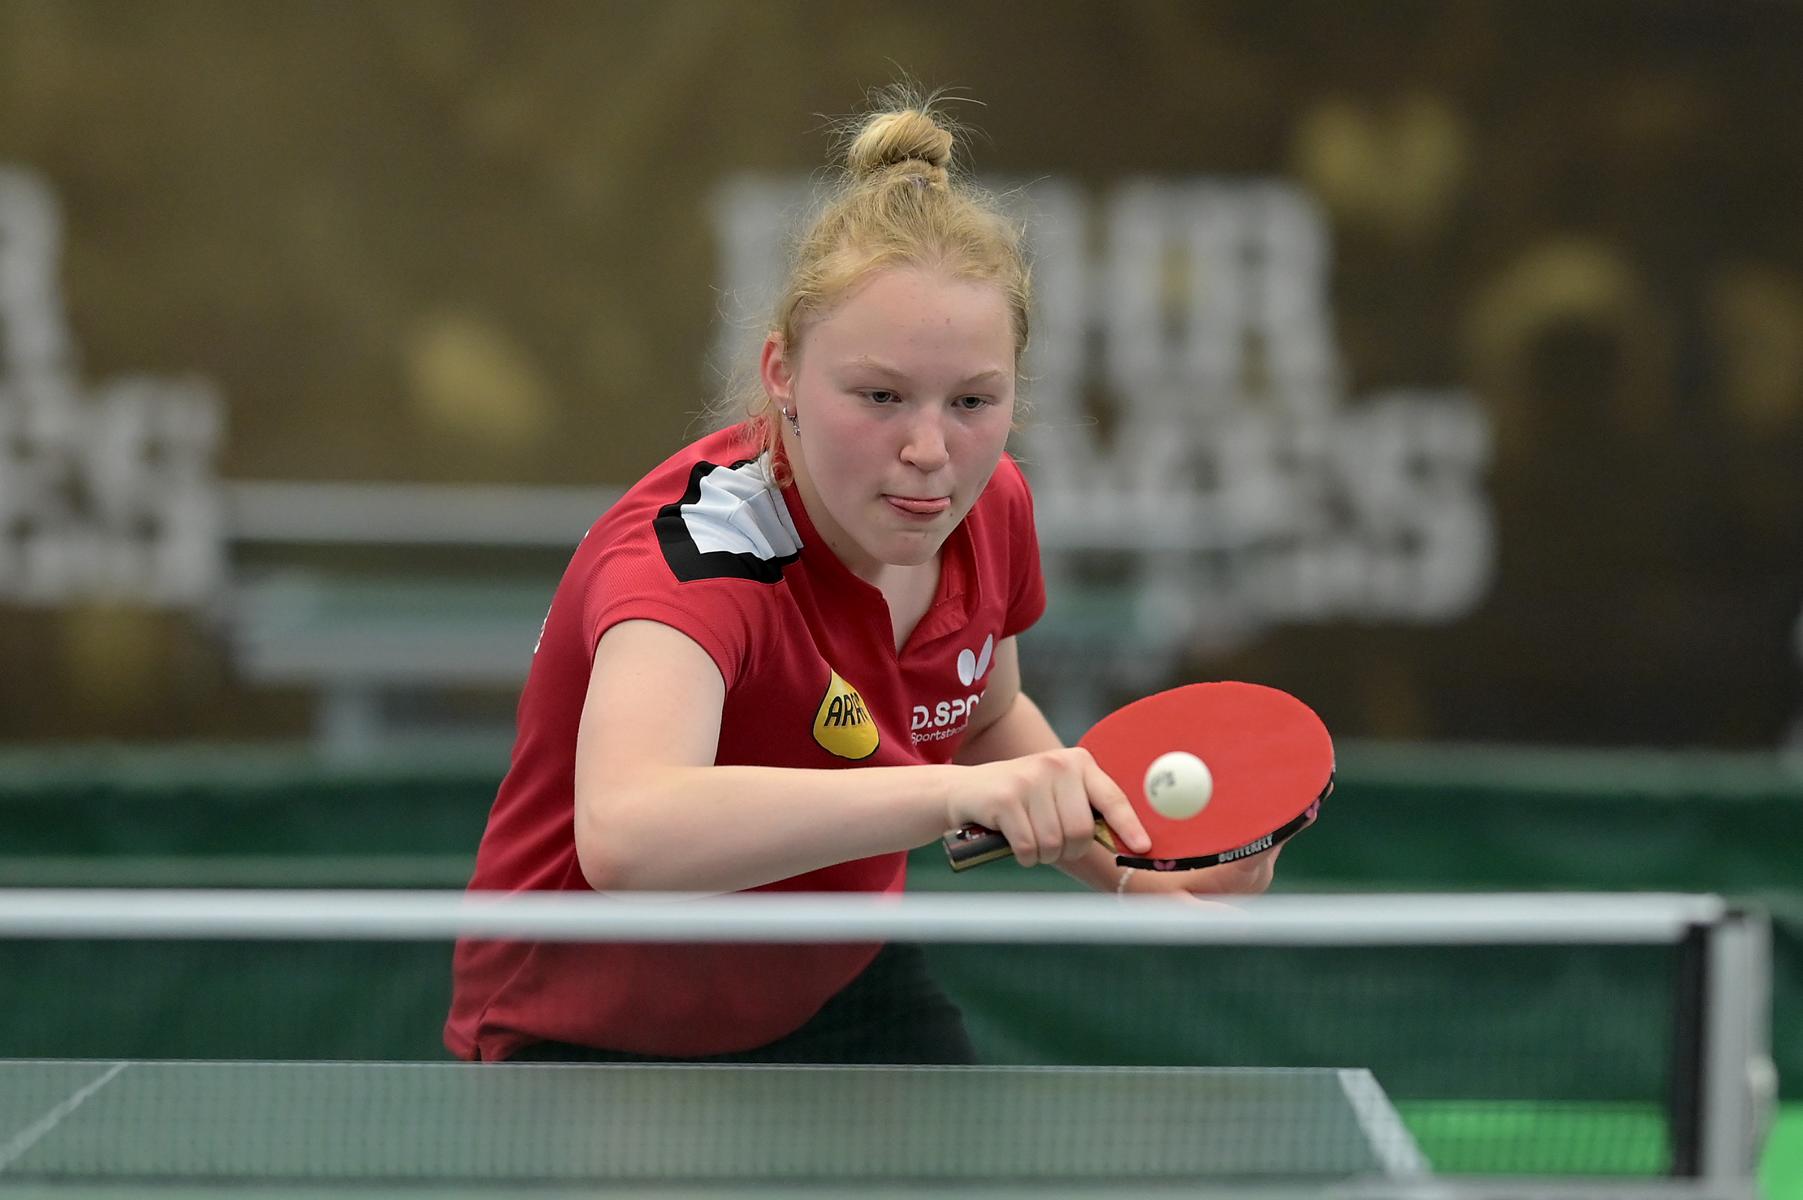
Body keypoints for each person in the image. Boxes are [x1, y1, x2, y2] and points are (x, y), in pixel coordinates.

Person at [444, 92, 1281, 1066]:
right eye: (880, 396)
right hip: (586, 1028)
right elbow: (626, 834)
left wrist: (1136, 875)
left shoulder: (988, 508)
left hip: (832, 984)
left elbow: (983, 723)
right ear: (782, 375)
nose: (930, 450)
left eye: (972, 401)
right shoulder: (695, 562)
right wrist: (943, 797)